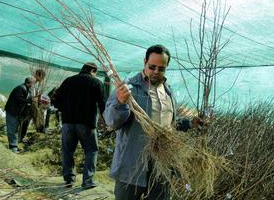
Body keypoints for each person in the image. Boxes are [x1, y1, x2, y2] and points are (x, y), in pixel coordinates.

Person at [103, 44, 201, 200]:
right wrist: (120, 103)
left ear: (167, 67)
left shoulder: (168, 91)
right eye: (152, 66)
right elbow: (111, 121)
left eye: (161, 68)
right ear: (144, 62)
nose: (156, 71)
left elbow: (170, 125)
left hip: (161, 164)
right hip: (132, 164)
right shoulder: (128, 87)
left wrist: (190, 123)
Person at [54, 62, 105, 189]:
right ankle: (88, 181)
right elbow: (102, 104)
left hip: (67, 123)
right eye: (96, 72)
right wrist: (107, 120)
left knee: (68, 151)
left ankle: (69, 180)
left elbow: (56, 101)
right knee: (91, 150)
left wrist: (65, 110)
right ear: (92, 70)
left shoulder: (68, 81)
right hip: (86, 123)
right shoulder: (96, 83)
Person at [5, 76, 36, 153]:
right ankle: (13, 148)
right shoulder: (21, 88)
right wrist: (30, 100)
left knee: (14, 130)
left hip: (15, 112)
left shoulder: (25, 88)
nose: (33, 85)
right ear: (29, 83)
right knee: (12, 130)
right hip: (12, 112)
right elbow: (20, 100)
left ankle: (14, 146)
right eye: (33, 83)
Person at [19, 69, 46, 142]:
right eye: (42, 78)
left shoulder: (36, 83)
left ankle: (22, 137)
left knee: (27, 122)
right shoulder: (31, 81)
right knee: (24, 122)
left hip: (31, 105)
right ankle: (20, 138)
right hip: (27, 105)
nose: (42, 80)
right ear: (38, 75)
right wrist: (35, 98)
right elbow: (30, 95)